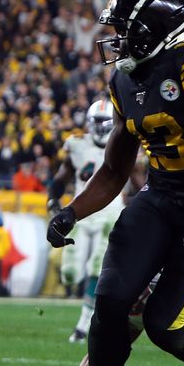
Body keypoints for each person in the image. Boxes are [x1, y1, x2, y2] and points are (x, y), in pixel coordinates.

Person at [46, 0, 184, 366]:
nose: (117, 40)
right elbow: (114, 168)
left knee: (165, 324)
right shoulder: (123, 81)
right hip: (160, 196)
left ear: (151, 31)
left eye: (124, 31)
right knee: (109, 302)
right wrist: (71, 211)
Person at [47, 99, 125, 343]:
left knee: (96, 270)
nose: (102, 127)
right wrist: (53, 199)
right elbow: (62, 176)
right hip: (81, 214)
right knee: (70, 274)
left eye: (106, 122)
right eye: (98, 122)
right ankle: (86, 318)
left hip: (110, 214)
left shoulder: (123, 142)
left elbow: (139, 180)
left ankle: (83, 325)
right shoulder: (76, 144)